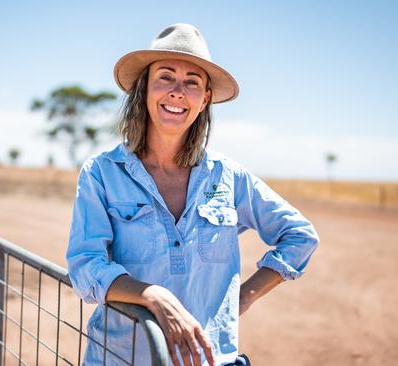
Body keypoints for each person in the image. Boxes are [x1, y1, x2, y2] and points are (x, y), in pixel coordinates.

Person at [66, 23, 319, 366]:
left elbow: (300, 236)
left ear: (205, 99)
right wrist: (154, 296)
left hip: (210, 360)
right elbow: (85, 266)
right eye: (165, 77)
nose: (177, 91)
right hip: (120, 359)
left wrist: (238, 301)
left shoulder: (228, 177)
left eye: (192, 83)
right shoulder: (103, 172)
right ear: (144, 89)